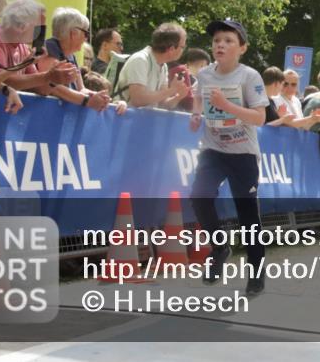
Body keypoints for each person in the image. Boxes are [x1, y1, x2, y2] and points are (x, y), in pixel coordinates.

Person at [188, 19, 269, 294]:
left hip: (243, 153)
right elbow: (198, 97)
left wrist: (228, 106)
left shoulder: (249, 77)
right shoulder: (205, 75)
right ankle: (220, 246)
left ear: (242, 48)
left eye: (228, 41)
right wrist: (197, 114)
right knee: (199, 196)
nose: (220, 45)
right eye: (216, 41)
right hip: (213, 149)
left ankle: (256, 273)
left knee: (248, 216)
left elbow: (259, 117)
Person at [34, 7, 112, 111]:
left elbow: (81, 89)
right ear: (73, 33)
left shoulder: (71, 55)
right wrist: (87, 100)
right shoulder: (48, 50)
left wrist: (99, 97)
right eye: (86, 33)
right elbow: (52, 87)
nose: (86, 38)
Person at [114, 22, 190, 108]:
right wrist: (171, 90)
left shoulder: (163, 66)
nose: (183, 50)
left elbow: (162, 104)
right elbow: (138, 100)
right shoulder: (140, 60)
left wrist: (178, 97)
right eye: (182, 47)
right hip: (124, 118)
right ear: (171, 49)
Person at [169, 48, 211, 112]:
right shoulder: (181, 72)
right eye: (201, 66)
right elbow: (189, 103)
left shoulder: (194, 80)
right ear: (189, 63)